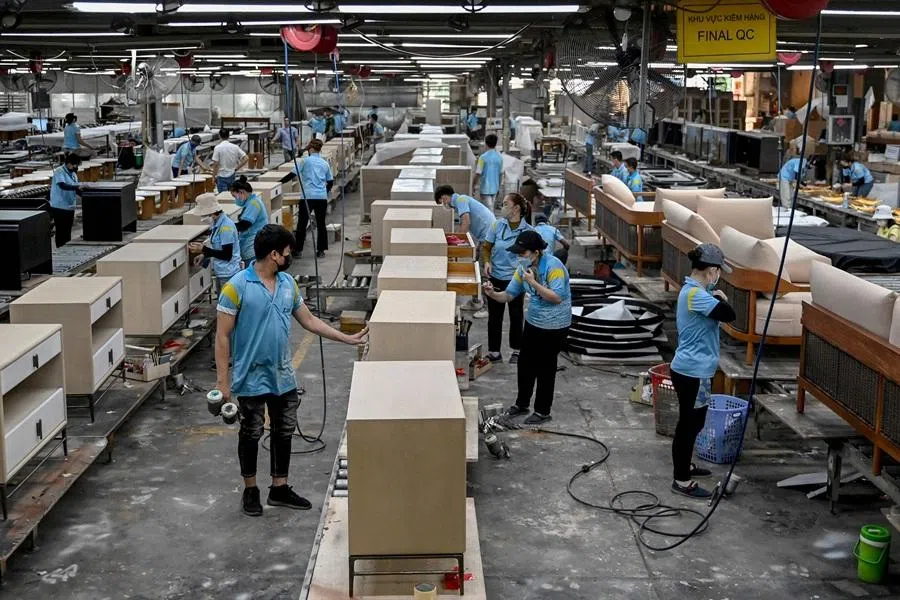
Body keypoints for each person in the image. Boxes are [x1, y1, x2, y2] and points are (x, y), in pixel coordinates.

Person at [216, 224, 367, 517]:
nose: (290, 257)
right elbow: (222, 337)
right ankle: (250, 490)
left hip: (282, 373)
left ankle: (279, 488)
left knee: (283, 429)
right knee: (251, 431)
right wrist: (223, 382)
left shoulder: (287, 284)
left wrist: (346, 338)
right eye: (287, 252)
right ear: (273, 254)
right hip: (251, 374)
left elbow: (309, 321)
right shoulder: (236, 287)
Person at [669, 244, 736, 499]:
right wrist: (721, 298)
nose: (718, 277)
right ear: (711, 270)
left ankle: (684, 466)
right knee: (689, 424)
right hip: (692, 371)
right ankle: (681, 480)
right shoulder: (697, 296)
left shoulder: (695, 291)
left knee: (693, 423)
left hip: (693, 369)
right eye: (718, 272)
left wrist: (714, 295)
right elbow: (730, 314)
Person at [484, 230, 571, 425]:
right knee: (525, 364)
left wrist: (533, 283)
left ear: (536, 252)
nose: (519, 257)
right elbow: (508, 295)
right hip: (534, 322)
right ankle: (521, 403)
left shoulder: (554, 267)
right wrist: (492, 294)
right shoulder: (522, 270)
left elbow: (556, 298)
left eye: (522, 253)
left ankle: (542, 411)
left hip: (555, 325)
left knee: (545, 367)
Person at [482, 192, 533, 363]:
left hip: (516, 279)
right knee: (494, 316)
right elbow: (487, 247)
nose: (502, 207)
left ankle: (517, 350)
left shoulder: (528, 232)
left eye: (505, 204)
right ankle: (494, 352)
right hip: (496, 276)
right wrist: (487, 262)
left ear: (516, 208)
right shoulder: (497, 226)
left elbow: (535, 257)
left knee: (516, 314)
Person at [435, 184, 496, 318]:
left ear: (444, 197)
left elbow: (466, 222)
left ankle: (488, 307)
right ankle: (475, 301)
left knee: (483, 271)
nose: (443, 205)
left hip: (489, 237)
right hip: (484, 235)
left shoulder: (460, 200)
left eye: (441, 202)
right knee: (475, 267)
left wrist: (457, 241)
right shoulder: (460, 202)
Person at [293, 139, 333, 259]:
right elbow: (330, 181)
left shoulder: (304, 161)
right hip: (321, 197)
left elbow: (292, 174)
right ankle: (321, 251)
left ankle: (298, 250)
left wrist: (279, 182)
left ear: (310, 149)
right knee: (321, 224)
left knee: (302, 223)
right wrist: (324, 192)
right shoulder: (324, 163)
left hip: (308, 196)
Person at [191, 193, 242, 288]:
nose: (203, 219)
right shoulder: (217, 223)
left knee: (226, 302)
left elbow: (227, 255)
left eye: (204, 215)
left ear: (213, 212)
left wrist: (204, 249)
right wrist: (204, 255)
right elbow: (218, 248)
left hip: (228, 274)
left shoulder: (225, 227)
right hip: (222, 272)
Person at [229, 176, 269, 263]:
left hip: (252, 246)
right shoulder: (251, 202)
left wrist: (228, 226)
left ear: (241, 192)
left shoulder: (253, 204)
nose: (235, 199)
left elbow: (244, 224)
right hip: (252, 244)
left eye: (234, 196)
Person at [49, 154, 83, 248]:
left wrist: (87, 196)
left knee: (67, 230)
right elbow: (62, 185)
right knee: (61, 230)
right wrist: (77, 186)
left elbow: (76, 189)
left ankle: (66, 248)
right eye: (74, 165)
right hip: (59, 207)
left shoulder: (73, 174)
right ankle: (60, 248)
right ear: (68, 163)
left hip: (70, 206)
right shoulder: (59, 171)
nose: (75, 167)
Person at [210, 128, 248, 193]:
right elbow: (246, 158)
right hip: (232, 175)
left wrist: (213, 176)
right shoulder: (235, 147)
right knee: (232, 196)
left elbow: (215, 164)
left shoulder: (217, 148)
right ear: (229, 136)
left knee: (222, 198)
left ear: (219, 136)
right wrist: (236, 168)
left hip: (221, 176)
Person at [475, 133, 503, 210]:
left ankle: (493, 222)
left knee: (488, 210)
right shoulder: (500, 157)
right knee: (491, 208)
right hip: (495, 188)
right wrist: (499, 187)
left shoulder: (482, 158)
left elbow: (478, 173)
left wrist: (473, 185)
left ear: (486, 143)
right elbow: (501, 174)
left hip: (485, 188)